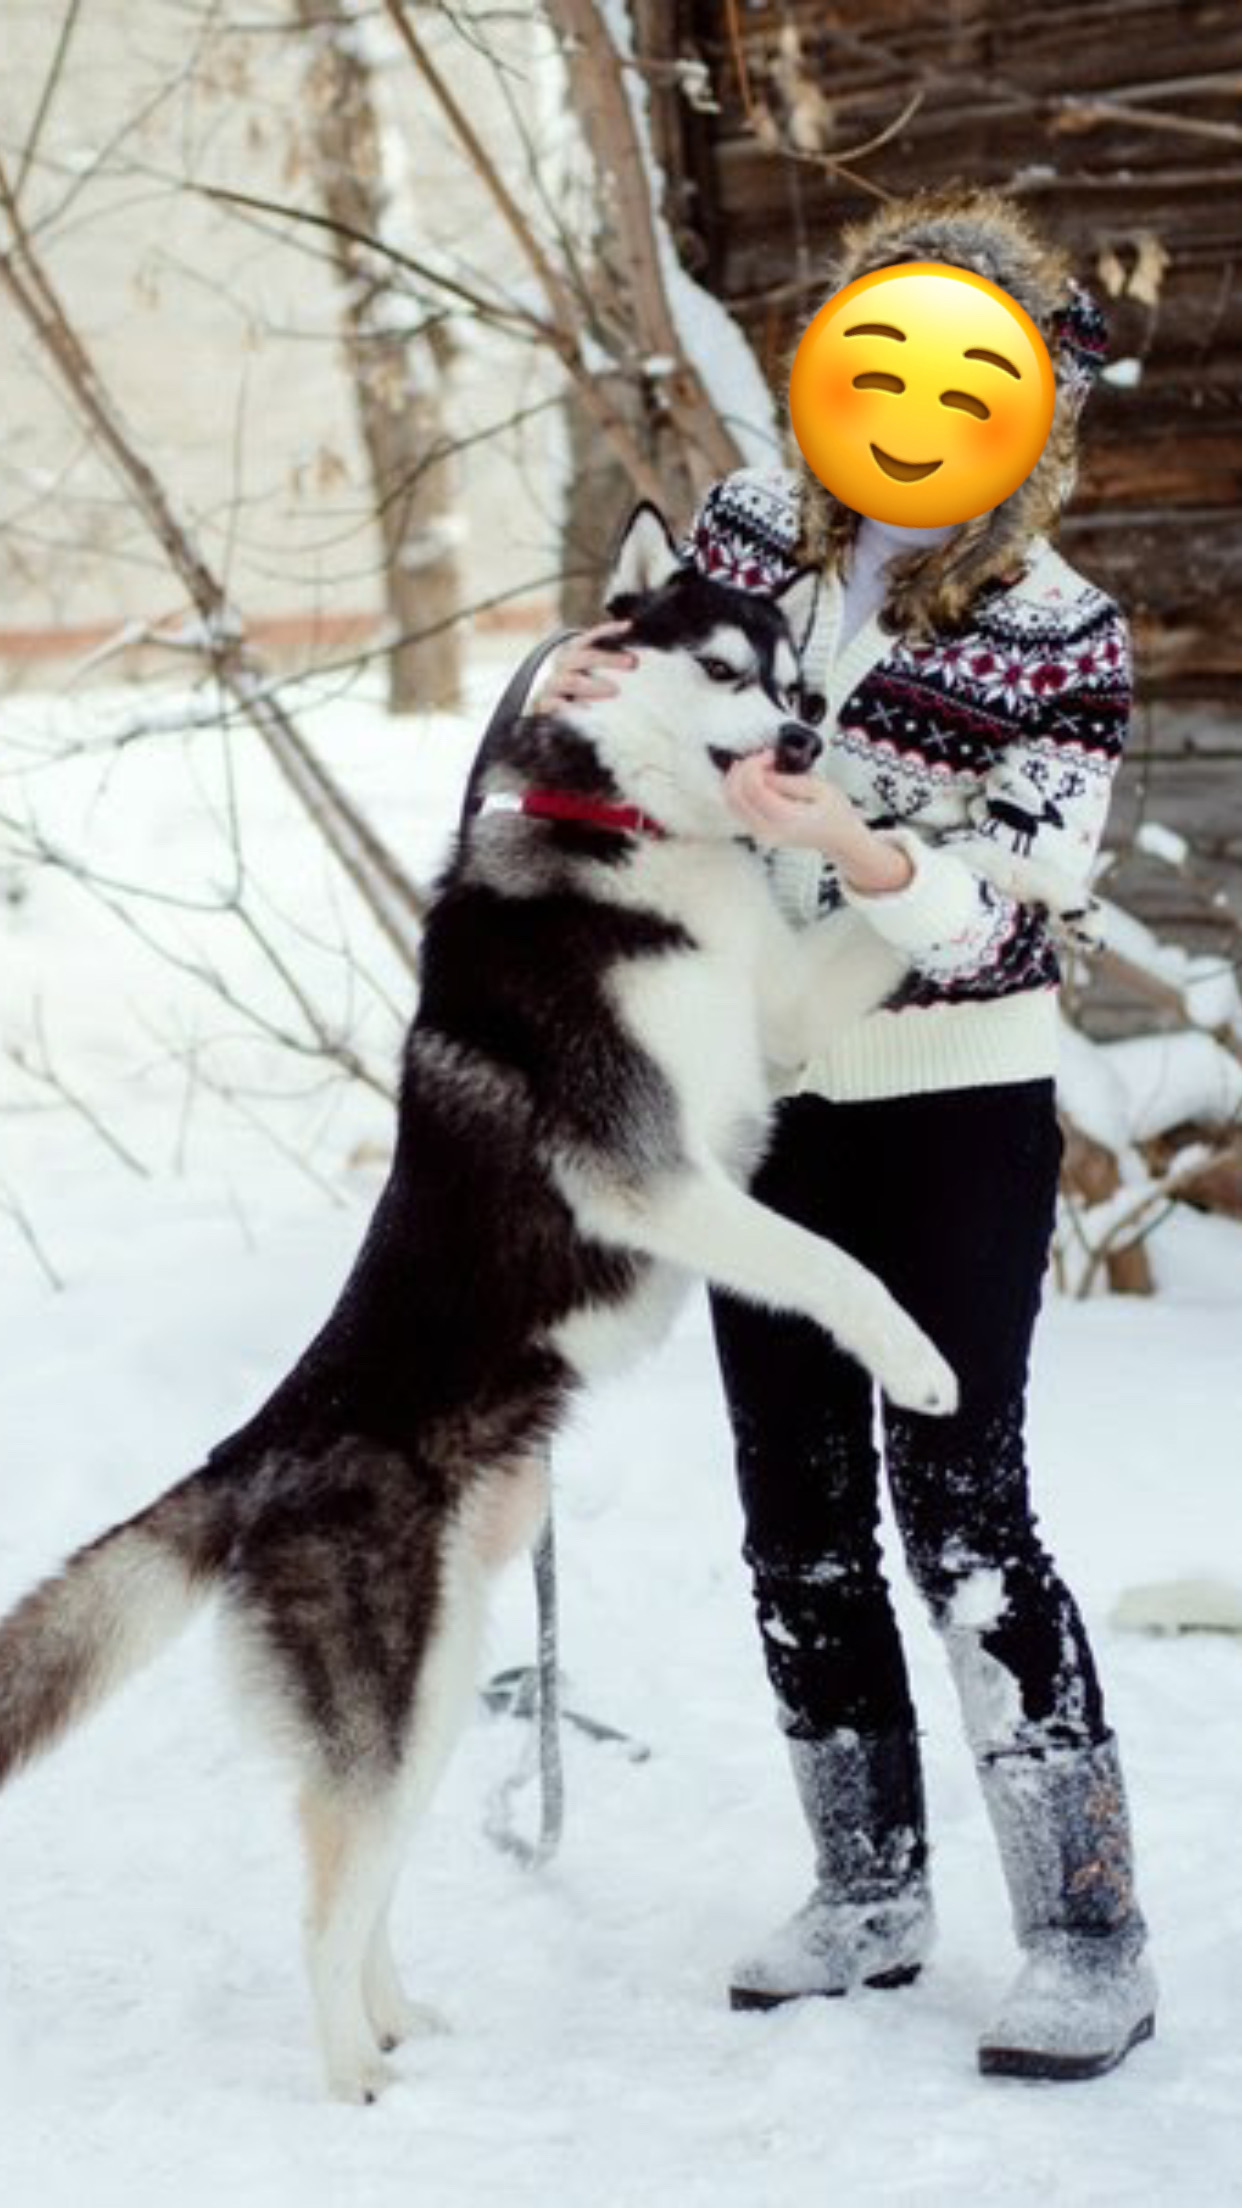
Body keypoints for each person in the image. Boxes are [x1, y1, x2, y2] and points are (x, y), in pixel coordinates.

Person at [538, 185, 1155, 2082]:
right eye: (880, 361)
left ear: (1031, 414)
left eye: (965, 380)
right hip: (761, 1101)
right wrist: (573, 687)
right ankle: (867, 1888)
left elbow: (1025, 898)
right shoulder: (742, 531)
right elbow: (633, 699)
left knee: (963, 1514)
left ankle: (1087, 1934)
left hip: (951, 1102)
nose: (909, 409)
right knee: (794, 1516)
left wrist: (861, 847)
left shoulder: (1060, 633)